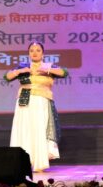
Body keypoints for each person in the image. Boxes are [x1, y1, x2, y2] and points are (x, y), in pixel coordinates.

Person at [4, 42, 67, 172]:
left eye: (38, 50)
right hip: (24, 100)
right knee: (24, 129)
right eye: (32, 50)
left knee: (39, 129)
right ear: (28, 53)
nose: (35, 52)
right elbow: (7, 77)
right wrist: (20, 71)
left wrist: (47, 70)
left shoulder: (48, 66)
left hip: (41, 101)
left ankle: (39, 163)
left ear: (43, 53)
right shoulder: (23, 66)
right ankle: (23, 162)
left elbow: (64, 73)